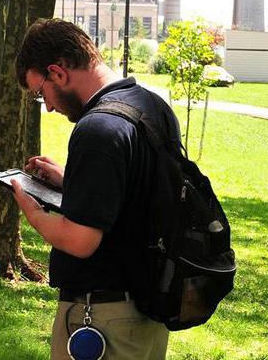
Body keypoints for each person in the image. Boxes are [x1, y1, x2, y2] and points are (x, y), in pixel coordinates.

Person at [11, 18, 172, 359]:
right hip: (148, 311)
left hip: (102, 319)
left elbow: (80, 240)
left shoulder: (97, 129)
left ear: (58, 72)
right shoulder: (152, 107)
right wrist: (72, 182)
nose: (50, 106)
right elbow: (136, 196)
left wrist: (32, 211)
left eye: (41, 93)